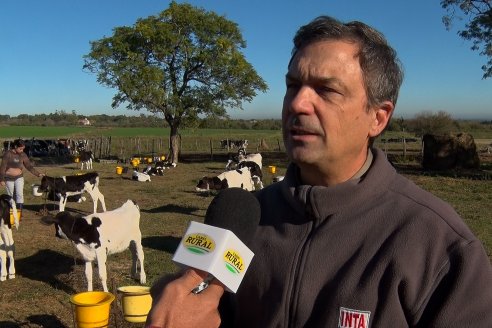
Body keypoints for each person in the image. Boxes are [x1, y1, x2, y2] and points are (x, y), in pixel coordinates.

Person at [146, 16, 492, 327]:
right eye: (293, 85)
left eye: (326, 90)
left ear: (378, 117)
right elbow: (197, 302)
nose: (297, 103)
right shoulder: (244, 216)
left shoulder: (439, 245)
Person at [0, 139, 45, 216]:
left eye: (23, 149)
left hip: (19, 178)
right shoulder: (8, 154)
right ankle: (11, 213)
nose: (22, 150)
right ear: (15, 146)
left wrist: (38, 174)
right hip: (8, 178)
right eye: (20, 148)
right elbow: (2, 168)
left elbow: (29, 166)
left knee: (19, 194)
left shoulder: (23, 155)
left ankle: (19, 214)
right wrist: (2, 179)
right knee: (11, 196)